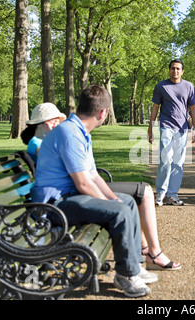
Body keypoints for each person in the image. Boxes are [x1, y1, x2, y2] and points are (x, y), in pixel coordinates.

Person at [31, 85, 158, 297]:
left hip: (68, 198)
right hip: (54, 206)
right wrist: (111, 204)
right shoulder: (70, 133)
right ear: (102, 113)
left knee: (125, 202)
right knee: (119, 211)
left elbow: (94, 176)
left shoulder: (80, 132)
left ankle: (134, 266)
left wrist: (114, 198)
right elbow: (82, 183)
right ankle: (126, 275)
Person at [25, 102, 180, 271]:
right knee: (133, 199)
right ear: (38, 125)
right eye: (51, 121)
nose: (56, 124)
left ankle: (143, 252)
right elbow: (67, 166)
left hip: (75, 185)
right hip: (62, 195)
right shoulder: (38, 142)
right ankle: (142, 258)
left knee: (138, 195)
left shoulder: (64, 136)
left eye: (57, 120)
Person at [148, 59, 195, 206]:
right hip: (166, 126)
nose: (175, 71)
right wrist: (150, 128)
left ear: (182, 71)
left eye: (178, 69)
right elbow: (155, 107)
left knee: (178, 162)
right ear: (169, 70)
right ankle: (160, 194)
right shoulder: (161, 86)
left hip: (182, 128)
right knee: (165, 159)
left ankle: (172, 194)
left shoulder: (189, 86)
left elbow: (193, 108)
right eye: (173, 68)